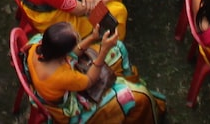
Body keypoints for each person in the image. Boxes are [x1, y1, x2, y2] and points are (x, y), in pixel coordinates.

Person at [23, 23, 167, 124]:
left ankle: (129, 81)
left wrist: (92, 37)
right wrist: (103, 50)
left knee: (118, 48)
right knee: (140, 96)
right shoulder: (62, 76)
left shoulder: (36, 48)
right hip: (72, 110)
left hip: (52, 88)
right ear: (63, 54)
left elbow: (72, 54)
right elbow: (90, 80)